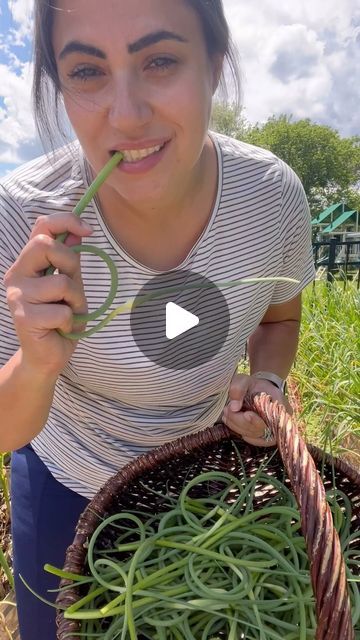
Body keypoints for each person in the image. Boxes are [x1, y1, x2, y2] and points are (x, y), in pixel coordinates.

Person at [0, 0, 315, 638]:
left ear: (215, 64)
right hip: (66, 478)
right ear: (60, 89)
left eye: (160, 60)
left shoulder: (271, 198)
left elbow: (278, 321)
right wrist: (38, 361)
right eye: (88, 72)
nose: (127, 114)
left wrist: (268, 382)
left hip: (201, 479)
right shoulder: (25, 213)